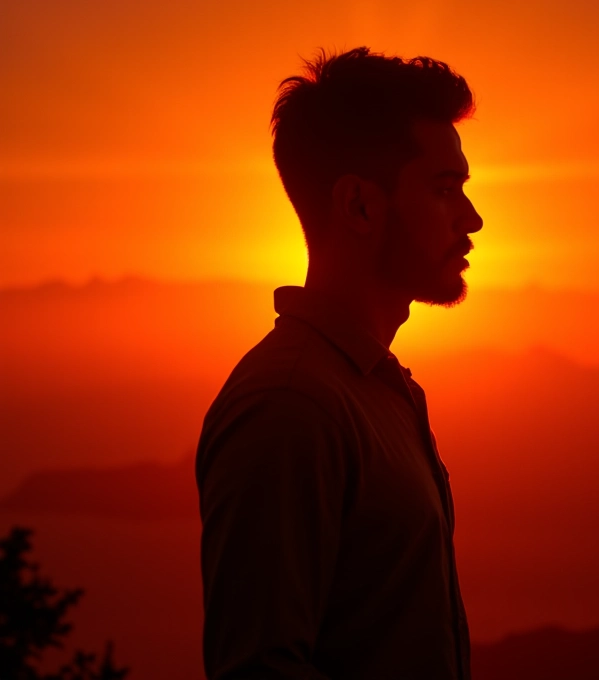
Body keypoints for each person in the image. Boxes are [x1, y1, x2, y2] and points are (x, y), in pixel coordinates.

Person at [196, 46, 483, 679]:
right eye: (443, 189)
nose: (473, 219)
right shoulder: (290, 407)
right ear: (358, 205)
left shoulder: (377, 389)